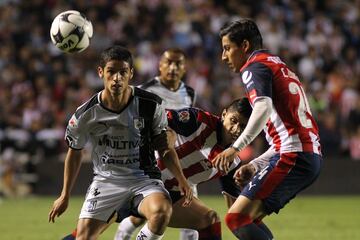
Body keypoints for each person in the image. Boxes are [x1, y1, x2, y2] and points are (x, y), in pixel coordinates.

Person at [48, 45, 192, 240]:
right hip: (106, 181)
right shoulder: (86, 114)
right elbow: (74, 152)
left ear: (131, 73)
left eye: (123, 72)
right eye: (111, 72)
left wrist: (181, 179)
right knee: (82, 238)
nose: (117, 78)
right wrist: (65, 195)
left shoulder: (151, 105)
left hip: (144, 179)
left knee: (161, 211)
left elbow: (164, 149)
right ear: (101, 72)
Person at [213, 19, 322, 240]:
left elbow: (263, 106)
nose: (223, 56)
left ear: (244, 46)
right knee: (248, 219)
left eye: (227, 48)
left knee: (236, 218)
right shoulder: (277, 65)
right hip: (300, 152)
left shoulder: (254, 66)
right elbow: (286, 135)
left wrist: (235, 148)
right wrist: (256, 164)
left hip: (294, 155)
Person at [115, 97, 252, 240]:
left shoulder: (233, 163)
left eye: (243, 127)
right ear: (224, 114)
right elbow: (159, 121)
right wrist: (167, 133)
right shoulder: (198, 120)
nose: (236, 130)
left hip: (172, 193)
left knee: (209, 220)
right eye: (233, 121)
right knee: (97, 223)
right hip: (140, 176)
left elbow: (235, 211)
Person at [117, 48, 198, 240]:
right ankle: (121, 235)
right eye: (168, 62)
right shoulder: (146, 90)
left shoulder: (189, 92)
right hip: (154, 160)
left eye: (177, 63)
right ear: (159, 65)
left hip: (182, 160)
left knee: (191, 216)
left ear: (184, 68)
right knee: (144, 216)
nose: (172, 67)